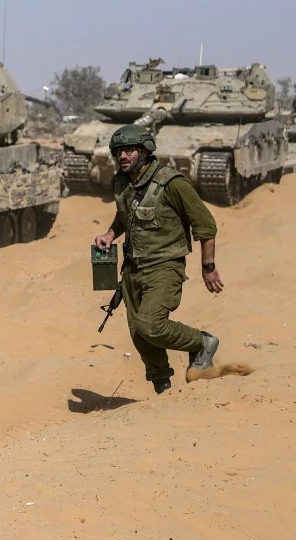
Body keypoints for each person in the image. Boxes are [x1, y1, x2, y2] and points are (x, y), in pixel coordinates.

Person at [92, 124, 223, 394]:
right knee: (139, 334)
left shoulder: (172, 183)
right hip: (132, 268)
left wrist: (208, 267)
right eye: (118, 152)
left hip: (165, 266)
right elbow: (126, 214)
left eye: (129, 150)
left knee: (151, 325)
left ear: (144, 150)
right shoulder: (122, 181)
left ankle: (202, 343)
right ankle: (164, 390)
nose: (123, 156)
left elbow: (205, 225)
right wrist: (110, 234)